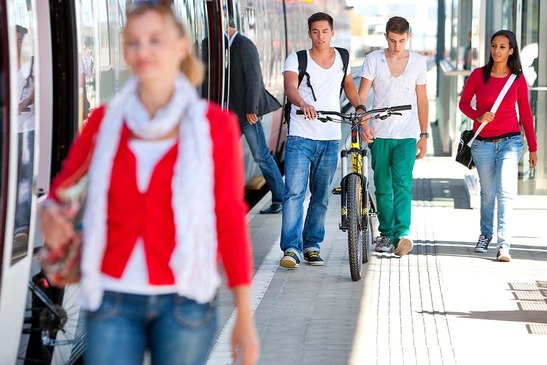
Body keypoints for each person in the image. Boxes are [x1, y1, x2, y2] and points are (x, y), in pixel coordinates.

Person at [39, 3, 259, 364]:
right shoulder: (104, 123)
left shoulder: (214, 126)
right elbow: (61, 191)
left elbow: (228, 218)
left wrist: (244, 314)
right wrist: (50, 214)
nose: (143, 52)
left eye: (155, 40)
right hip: (111, 298)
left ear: (181, 47)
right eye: (134, 43)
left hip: (185, 301)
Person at [279, 12, 364, 268]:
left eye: (324, 31)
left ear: (332, 32)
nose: (320, 36)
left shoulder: (342, 58)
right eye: (315, 32)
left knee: (321, 195)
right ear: (309, 34)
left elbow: (348, 85)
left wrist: (359, 106)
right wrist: (303, 103)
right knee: (294, 193)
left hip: (329, 137)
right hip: (300, 137)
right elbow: (290, 87)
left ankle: (312, 246)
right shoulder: (297, 59)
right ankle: (291, 249)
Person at [459, 29, 538, 262]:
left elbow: (525, 114)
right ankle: (485, 235)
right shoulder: (478, 75)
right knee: (487, 193)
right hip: (482, 144)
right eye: (494, 46)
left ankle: (504, 244)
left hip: (510, 142)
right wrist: (478, 115)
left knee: (505, 192)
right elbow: (464, 104)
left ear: (511, 50)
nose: (497, 50)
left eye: (502, 47)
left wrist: (533, 147)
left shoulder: (517, 79)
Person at [357, 16, 429, 256]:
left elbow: (422, 99)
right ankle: (386, 234)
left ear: (408, 37)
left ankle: (403, 234)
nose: (397, 46)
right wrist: (364, 124)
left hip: (407, 135)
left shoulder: (418, 62)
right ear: (386, 36)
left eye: (401, 40)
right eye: (392, 40)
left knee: (403, 185)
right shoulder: (373, 60)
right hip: (379, 134)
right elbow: (362, 95)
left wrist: (424, 134)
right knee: (382, 186)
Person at [227, 18, 285, 214]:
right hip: (232, 115)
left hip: (246, 115)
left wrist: (252, 109)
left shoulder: (244, 45)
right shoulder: (226, 45)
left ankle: (280, 198)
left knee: (261, 156)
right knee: (221, 156)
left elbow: (254, 79)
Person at [14, 24, 35, 247]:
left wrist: (25, 102)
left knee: (24, 178)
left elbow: (37, 89)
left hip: (28, 128)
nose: (18, 44)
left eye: (21, 40)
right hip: (10, 129)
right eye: (15, 40)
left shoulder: (31, 63)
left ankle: (21, 226)